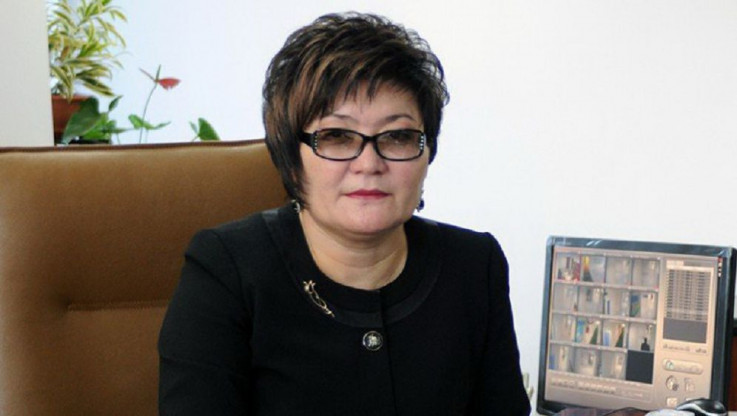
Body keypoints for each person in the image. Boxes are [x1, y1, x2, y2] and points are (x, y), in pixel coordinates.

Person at [158, 12, 531, 415]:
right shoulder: (227, 270)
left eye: (398, 136)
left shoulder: (474, 266)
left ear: (427, 153)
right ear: (291, 157)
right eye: (336, 136)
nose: (369, 164)